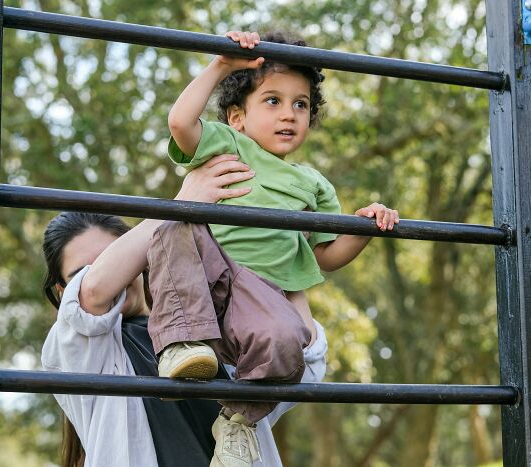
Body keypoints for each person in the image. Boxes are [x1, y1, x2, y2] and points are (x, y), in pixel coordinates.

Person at [161, 31, 399, 466]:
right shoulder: (227, 145)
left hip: (260, 299)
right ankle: (180, 342)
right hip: (208, 281)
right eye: (272, 101)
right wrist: (221, 66)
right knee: (172, 226)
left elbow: (326, 254)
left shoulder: (312, 185)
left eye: (301, 104)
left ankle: (238, 422)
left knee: (290, 336)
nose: (289, 113)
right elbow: (180, 123)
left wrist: (364, 229)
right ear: (237, 117)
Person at [40, 155, 328, 467]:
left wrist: (292, 257)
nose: (112, 280)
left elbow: (304, 361)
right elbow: (93, 292)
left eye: (112, 259)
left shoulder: (204, 322)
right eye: (82, 272)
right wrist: (182, 204)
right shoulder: (72, 348)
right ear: (62, 291)